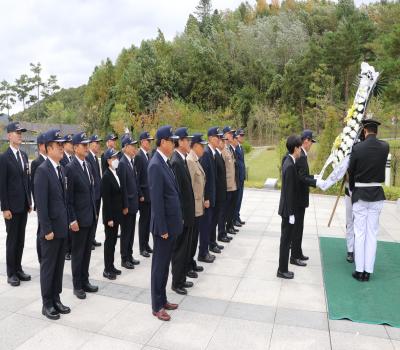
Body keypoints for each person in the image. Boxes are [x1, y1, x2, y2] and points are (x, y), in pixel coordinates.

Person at [34, 129, 70, 320]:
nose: (62, 149)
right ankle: (46, 303)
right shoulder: (42, 171)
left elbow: (62, 200)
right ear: (48, 149)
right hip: (50, 232)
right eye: (58, 146)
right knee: (48, 267)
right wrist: (47, 229)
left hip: (62, 228)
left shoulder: (61, 168)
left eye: (62, 145)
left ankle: (56, 298)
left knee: (58, 267)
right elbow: (41, 204)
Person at [348, 119, 389, 282]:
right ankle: (368, 271)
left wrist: (352, 190)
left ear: (364, 131)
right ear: (376, 131)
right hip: (377, 194)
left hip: (360, 194)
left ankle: (359, 271)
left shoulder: (357, 148)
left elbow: (351, 172)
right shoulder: (385, 147)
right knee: (372, 233)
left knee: (360, 233)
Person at [148, 126, 182, 321]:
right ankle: (156, 305)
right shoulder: (155, 165)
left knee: (165, 265)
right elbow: (157, 201)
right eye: (171, 140)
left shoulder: (164, 162)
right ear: (163, 142)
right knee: (159, 267)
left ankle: (163, 299)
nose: (174, 144)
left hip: (170, 225)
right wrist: (162, 229)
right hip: (163, 228)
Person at [65, 132, 98, 299]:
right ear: (75, 147)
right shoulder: (70, 169)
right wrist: (72, 219)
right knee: (78, 253)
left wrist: (94, 214)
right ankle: (77, 285)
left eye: (87, 145)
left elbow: (91, 191)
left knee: (87, 252)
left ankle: (85, 280)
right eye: (83, 145)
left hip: (90, 217)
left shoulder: (88, 165)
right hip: (78, 219)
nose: (86, 148)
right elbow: (68, 199)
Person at [0, 121, 32, 287]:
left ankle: (18, 268)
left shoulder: (24, 156)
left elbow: (26, 180)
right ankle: (11, 273)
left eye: (21, 133)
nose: (20, 135)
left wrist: (29, 201)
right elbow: (2, 185)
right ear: (9, 136)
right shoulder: (4, 158)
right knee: (12, 240)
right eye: (17, 132)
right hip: (11, 207)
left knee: (20, 239)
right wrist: (4, 207)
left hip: (23, 205)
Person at [170, 127, 195, 295]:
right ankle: (176, 281)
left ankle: (182, 277)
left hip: (188, 212)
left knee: (185, 247)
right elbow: (177, 193)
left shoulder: (183, 159)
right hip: (183, 214)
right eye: (187, 140)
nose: (189, 143)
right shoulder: (176, 162)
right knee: (179, 249)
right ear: (179, 142)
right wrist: (181, 216)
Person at [277, 135, 302, 279]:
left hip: (287, 209)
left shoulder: (288, 160)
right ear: (295, 148)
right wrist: (291, 213)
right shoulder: (290, 166)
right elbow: (288, 192)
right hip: (288, 210)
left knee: (286, 240)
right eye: (299, 148)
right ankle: (282, 270)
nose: (300, 150)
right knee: (286, 241)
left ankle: (283, 268)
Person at [291, 130, 317, 267]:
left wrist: (314, 178)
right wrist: (315, 182)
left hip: (300, 197)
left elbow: (303, 175)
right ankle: (294, 256)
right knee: (297, 227)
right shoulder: (300, 155)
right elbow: (301, 178)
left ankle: (298, 252)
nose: (311, 144)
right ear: (305, 140)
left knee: (299, 227)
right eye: (311, 141)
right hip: (298, 198)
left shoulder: (302, 154)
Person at [198, 127, 221, 263]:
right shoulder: (206, 154)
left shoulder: (211, 153)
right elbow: (204, 179)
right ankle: (203, 252)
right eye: (217, 137)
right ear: (211, 138)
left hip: (212, 197)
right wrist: (206, 197)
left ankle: (206, 250)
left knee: (210, 224)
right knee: (205, 226)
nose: (219, 139)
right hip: (207, 199)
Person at [118, 134, 140, 269]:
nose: (134, 148)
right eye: (132, 146)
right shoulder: (122, 163)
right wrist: (125, 205)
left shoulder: (130, 162)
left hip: (133, 204)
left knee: (131, 232)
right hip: (127, 205)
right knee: (126, 232)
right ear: (125, 147)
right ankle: (124, 258)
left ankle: (130, 254)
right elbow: (123, 188)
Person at [186, 133, 207, 278]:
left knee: (195, 237)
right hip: (193, 206)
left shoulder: (196, 160)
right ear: (195, 146)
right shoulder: (190, 161)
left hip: (199, 205)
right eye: (201, 146)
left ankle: (191, 262)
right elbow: (191, 187)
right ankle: (187, 265)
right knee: (191, 238)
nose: (203, 149)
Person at [101, 148, 123, 280]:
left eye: (117, 157)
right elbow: (106, 200)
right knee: (109, 242)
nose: (116, 160)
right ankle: (107, 269)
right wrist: (109, 218)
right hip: (110, 217)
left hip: (117, 214)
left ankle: (111, 265)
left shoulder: (115, 173)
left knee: (113, 241)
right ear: (108, 161)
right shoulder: (106, 176)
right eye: (113, 158)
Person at [135, 131, 154, 257]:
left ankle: (146, 244)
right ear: (142, 142)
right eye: (148, 141)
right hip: (143, 195)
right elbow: (137, 177)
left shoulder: (148, 155)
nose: (150, 143)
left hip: (150, 194)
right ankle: (142, 247)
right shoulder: (139, 156)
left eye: (150, 141)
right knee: (143, 221)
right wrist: (140, 194)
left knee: (148, 221)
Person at [31, 133, 47, 263]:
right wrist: (37, 203)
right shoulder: (37, 163)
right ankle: (41, 257)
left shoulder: (50, 161)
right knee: (41, 231)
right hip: (42, 203)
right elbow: (34, 186)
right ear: (41, 146)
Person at [86, 134, 103, 249]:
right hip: (92, 194)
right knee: (91, 218)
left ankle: (92, 237)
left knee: (95, 218)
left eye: (98, 143)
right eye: (96, 143)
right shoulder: (87, 157)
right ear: (90, 144)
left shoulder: (95, 157)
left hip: (98, 193)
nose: (98, 145)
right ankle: (89, 240)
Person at [223, 126, 239, 235]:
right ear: (224, 135)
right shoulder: (223, 149)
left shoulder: (230, 149)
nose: (231, 135)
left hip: (233, 184)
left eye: (232, 133)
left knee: (232, 207)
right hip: (227, 185)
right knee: (226, 209)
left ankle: (230, 226)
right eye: (229, 133)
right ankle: (224, 229)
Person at [60, 133, 73, 260]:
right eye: (70, 143)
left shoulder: (71, 158)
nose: (72, 145)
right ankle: (66, 250)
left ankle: (70, 247)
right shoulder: (62, 158)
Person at [215, 136, 231, 244]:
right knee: (220, 214)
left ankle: (222, 232)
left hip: (223, 189)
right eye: (222, 141)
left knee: (223, 213)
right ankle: (220, 234)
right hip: (218, 192)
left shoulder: (219, 154)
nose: (224, 143)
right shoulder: (215, 155)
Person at [234, 128, 246, 226]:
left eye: (243, 135)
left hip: (241, 177)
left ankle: (237, 216)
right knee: (237, 199)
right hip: (238, 178)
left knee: (240, 198)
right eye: (241, 135)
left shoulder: (240, 147)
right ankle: (235, 218)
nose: (242, 137)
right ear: (236, 137)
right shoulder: (235, 148)